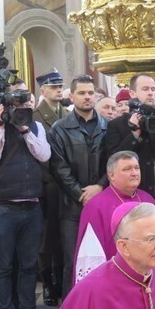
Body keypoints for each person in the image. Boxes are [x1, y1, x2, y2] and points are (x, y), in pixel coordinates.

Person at [0, 84, 53, 309]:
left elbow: (44, 155)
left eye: (26, 104)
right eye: (16, 105)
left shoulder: (36, 126)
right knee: (3, 264)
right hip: (3, 207)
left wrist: (25, 130)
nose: (21, 109)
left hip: (32, 205)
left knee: (29, 264)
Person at [49, 74, 108, 296]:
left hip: (102, 203)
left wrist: (100, 186)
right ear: (72, 97)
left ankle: (99, 307)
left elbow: (113, 162)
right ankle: (71, 308)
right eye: (82, 93)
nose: (87, 97)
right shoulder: (60, 128)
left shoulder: (107, 126)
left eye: (91, 93)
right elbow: (59, 167)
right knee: (72, 260)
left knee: (103, 258)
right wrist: (81, 195)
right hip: (72, 206)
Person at [74, 151, 155, 282]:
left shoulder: (148, 199)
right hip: (114, 279)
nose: (134, 173)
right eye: (127, 169)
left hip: (149, 275)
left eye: (136, 168)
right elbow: (91, 253)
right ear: (111, 175)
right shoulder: (96, 206)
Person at [33, 70, 69, 307]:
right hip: (47, 183)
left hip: (66, 184)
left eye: (60, 87)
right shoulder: (35, 116)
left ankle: (61, 279)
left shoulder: (68, 114)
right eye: (53, 87)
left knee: (63, 235)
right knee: (47, 237)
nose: (58, 90)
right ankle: (47, 282)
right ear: (43, 90)